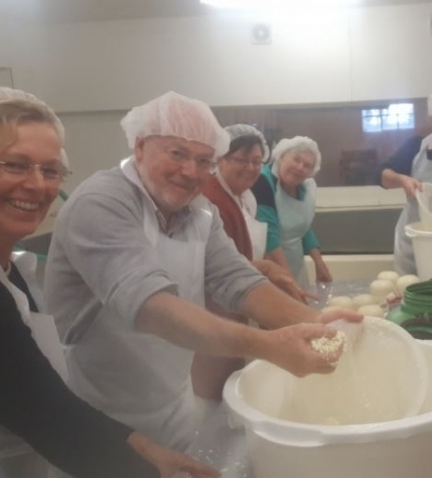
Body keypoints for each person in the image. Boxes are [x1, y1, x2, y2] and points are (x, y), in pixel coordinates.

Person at [44, 91, 361, 453]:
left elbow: (238, 280)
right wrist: (270, 345)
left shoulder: (200, 212)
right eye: (177, 153)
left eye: (204, 160)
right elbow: (149, 304)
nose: (190, 172)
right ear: (141, 147)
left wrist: (319, 323)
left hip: (173, 403)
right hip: (97, 415)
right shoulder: (102, 202)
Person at [0, 87, 219, 478]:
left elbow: (37, 397)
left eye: (50, 170)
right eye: (14, 164)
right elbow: (51, 420)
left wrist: (148, 451)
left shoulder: (2, 269)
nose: (38, 185)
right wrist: (151, 466)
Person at [191, 124, 312, 402]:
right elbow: (216, 271)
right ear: (219, 159)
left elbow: (241, 260)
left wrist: (268, 271)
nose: (250, 168)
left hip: (237, 304)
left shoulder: (244, 196)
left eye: (257, 161)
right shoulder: (211, 200)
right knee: (214, 391)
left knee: (234, 381)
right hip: (214, 311)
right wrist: (266, 273)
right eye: (241, 160)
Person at [251, 136, 332, 289]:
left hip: (295, 264)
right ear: (281, 157)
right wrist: (289, 280)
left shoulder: (304, 187)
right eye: (296, 159)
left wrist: (319, 263)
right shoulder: (262, 183)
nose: (300, 167)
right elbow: (269, 236)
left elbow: (303, 226)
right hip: (270, 266)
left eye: (307, 165)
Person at [375, 102, 432, 273]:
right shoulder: (417, 146)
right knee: (411, 293)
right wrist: (402, 180)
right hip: (414, 241)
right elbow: (381, 175)